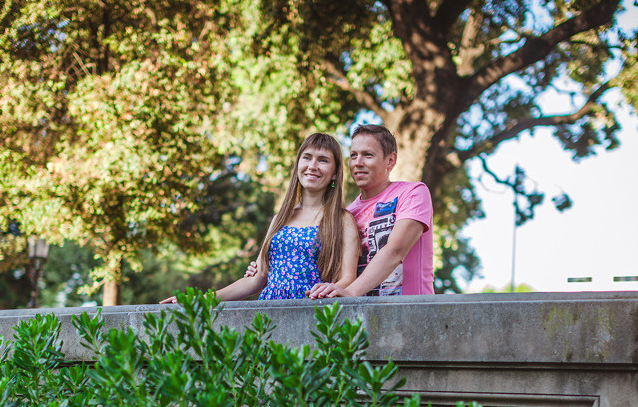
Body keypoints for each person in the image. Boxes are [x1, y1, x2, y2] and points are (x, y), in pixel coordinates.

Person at [160, 132, 360, 303]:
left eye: (323, 160)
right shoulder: (280, 219)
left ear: (334, 173)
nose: (313, 165)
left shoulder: (342, 220)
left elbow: (348, 278)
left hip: (313, 312)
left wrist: (327, 290)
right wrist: (199, 300)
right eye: (307, 157)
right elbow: (255, 280)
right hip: (267, 313)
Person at [246, 124, 434, 297]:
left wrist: (350, 292)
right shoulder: (345, 214)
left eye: (367, 155)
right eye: (353, 155)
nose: (357, 163)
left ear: (390, 160)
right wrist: (270, 270)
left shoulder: (412, 193)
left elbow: (395, 250)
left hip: (410, 310)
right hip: (363, 318)